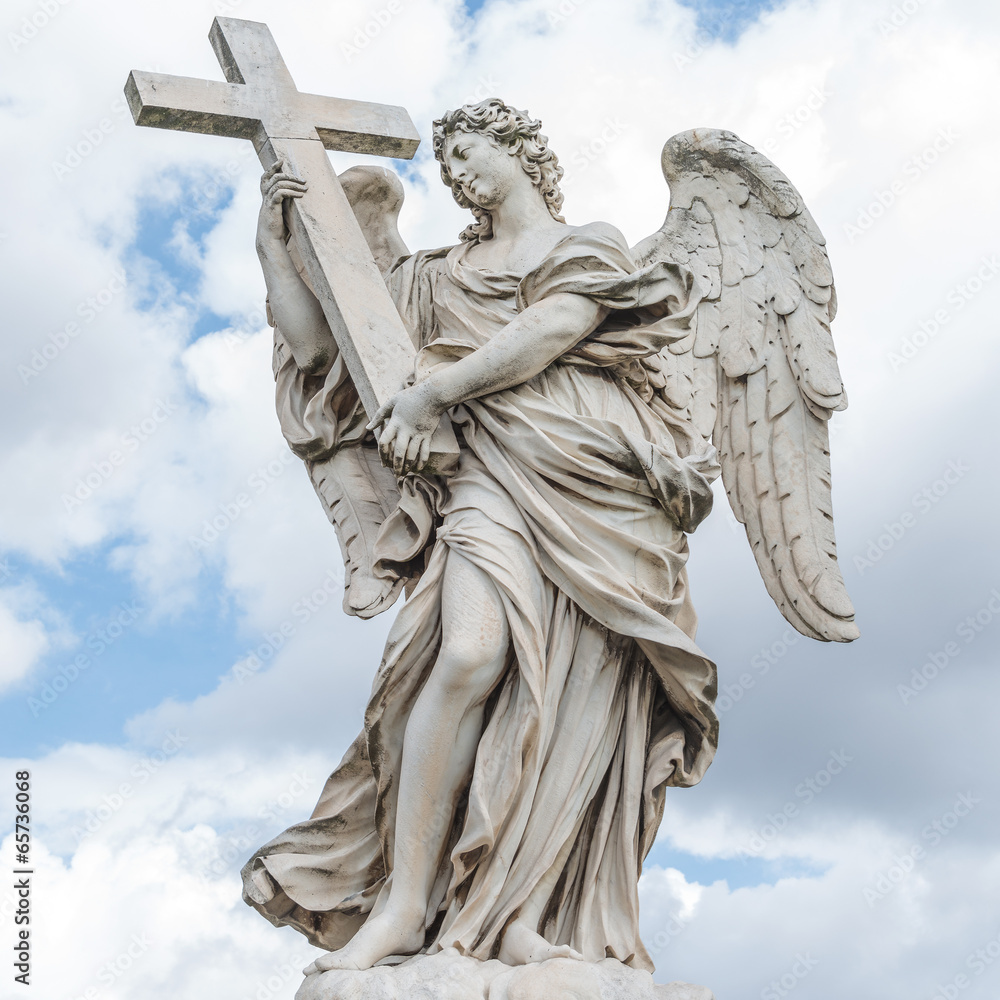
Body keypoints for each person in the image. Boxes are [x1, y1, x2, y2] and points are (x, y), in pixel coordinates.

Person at [242, 98, 720, 974]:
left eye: (469, 151)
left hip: (596, 480)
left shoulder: (591, 242)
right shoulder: (430, 275)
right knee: (466, 655)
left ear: (520, 150)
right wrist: (274, 251)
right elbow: (322, 353)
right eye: (447, 162)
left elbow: (554, 328)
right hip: (488, 475)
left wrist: (431, 394)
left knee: (581, 694)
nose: (457, 171)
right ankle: (406, 904)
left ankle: (527, 914)